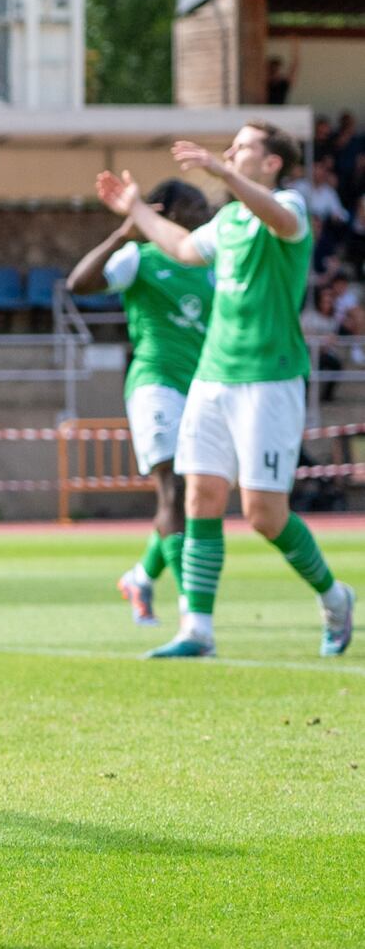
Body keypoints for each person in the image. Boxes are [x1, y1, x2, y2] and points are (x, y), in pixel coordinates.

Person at [97, 123, 354, 660]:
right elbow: (183, 246)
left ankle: (335, 598)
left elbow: (279, 218)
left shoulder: (289, 207)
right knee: (200, 497)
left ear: (273, 162)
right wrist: (136, 209)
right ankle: (198, 630)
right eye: (231, 148)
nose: (231, 151)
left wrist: (223, 173)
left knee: (264, 515)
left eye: (243, 146)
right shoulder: (230, 220)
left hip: (270, 378)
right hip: (212, 377)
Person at [66, 180, 214, 626]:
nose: (206, 213)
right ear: (169, 212)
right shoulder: (140, 258)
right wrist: (122, 235)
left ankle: (141, 577)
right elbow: (79, 283)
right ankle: (193, 612)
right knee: (173, 490)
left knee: (195, 495)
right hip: (156, 383)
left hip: (201, 387)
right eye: (197, 206)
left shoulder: (210, 262)